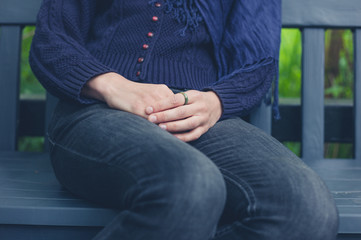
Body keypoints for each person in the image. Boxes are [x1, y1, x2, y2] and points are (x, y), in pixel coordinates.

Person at [29, 0, 339, 239]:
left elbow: (257, 62)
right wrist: (115, 87)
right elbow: (51, 40)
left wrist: (215, 101)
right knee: (191, 183)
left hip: (197, 111)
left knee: (305, 208)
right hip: (97, 108)